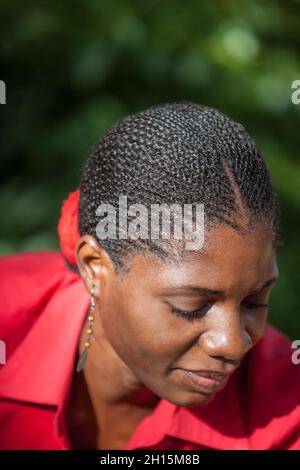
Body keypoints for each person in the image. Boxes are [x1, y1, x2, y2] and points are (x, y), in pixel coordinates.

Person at [0, 102, 299, 450]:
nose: (232, 344)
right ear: (95, 267)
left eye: (255, 301)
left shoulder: (284, 411)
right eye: (191, 305)